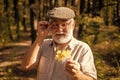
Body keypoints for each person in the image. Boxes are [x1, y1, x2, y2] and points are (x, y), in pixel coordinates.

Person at [21, 7, 97, 80]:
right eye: (55, 25)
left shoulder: (82, 49)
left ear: (73, 25)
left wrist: (78, 74)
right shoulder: (43, 44)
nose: (59, 29)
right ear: (49, 26)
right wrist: (40, 37)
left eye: (64, 24)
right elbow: (26, 66)